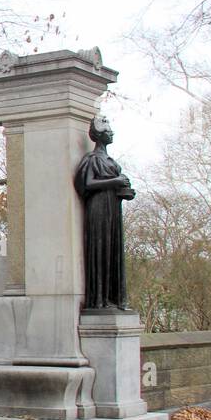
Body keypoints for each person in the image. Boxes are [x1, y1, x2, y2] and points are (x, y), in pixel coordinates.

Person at [73, 114, 136, 310]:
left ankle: (113, 298)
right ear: (99, 136)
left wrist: (124, 192)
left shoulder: (111, 161)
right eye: (107, 131)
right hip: (98, 208)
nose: (111, 134)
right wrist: (114, 182)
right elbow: (87, 183)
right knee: (100, 250)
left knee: (113, 249)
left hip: (113, 208)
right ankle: (98, 299)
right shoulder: (91, 159)